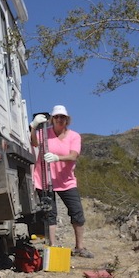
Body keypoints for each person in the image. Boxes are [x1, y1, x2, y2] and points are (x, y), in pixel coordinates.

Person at [29, 104, 92, 258]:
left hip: (66, 181)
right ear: (52, 119)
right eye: (56, 117)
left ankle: (79, 247)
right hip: (45, 179)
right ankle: (52, 247)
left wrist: (57, 158)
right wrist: (33, 127)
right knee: (50, 213)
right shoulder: (44, 134)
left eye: (62, 117)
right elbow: (34, 143)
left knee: (77, 212)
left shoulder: (74, 136)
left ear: (67, 120)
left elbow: (73, 155)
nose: (59, 120)